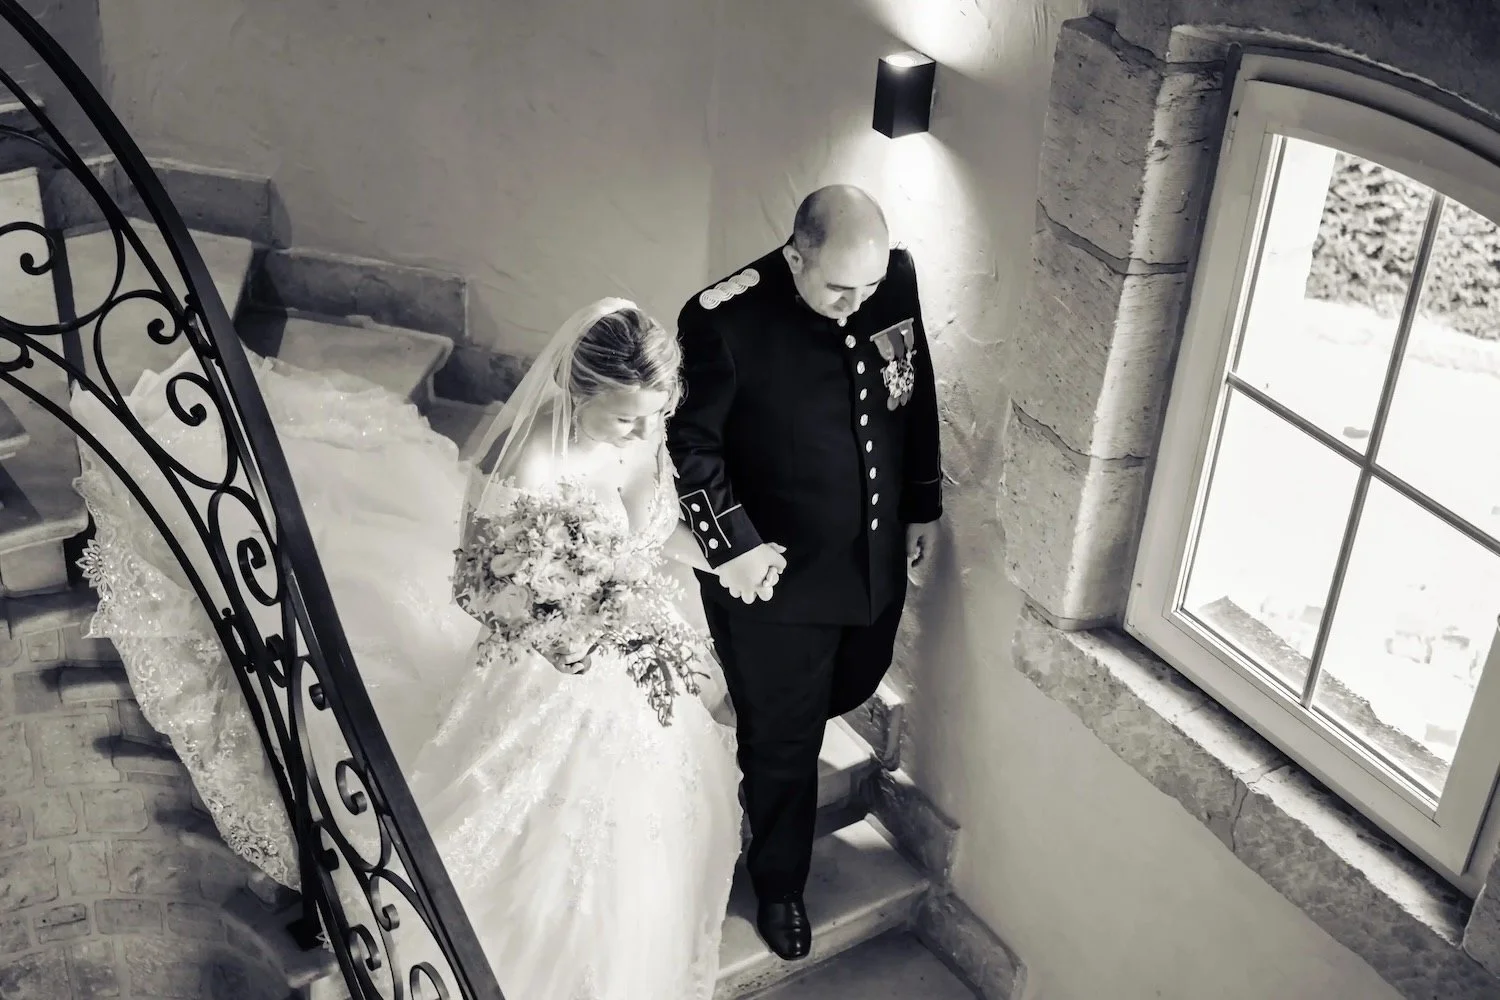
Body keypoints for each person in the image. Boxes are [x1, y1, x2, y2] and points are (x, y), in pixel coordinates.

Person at [69, 298, 742, 999]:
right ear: (578, 392)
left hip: (628, 653)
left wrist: (724, 564)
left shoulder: (643, 432)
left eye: (658, 412)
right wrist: (557, 632)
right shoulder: (533, 457)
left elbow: (646, 534)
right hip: (541, 665)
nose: (647, 431)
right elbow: (477, 586)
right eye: (628, 418)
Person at [667, 184, 944, 961]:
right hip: (774, 584)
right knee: (783, 741)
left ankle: (763, 728)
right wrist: (733, 547)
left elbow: (913, 395)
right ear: (796, 257)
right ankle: (780, 883)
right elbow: (691, 447)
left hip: (871, 561)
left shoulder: (893, 279)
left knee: (849, 683)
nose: (857, 304)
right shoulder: (722, 320)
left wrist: (923, 504)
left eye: (868, 286)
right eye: (838, 289)